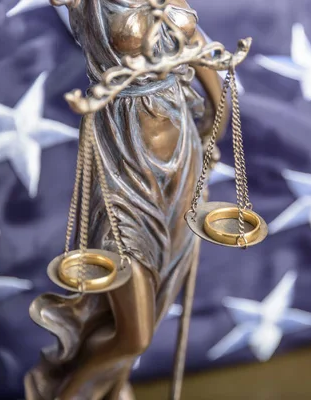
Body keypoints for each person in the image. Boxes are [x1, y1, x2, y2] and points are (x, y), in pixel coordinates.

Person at [24, 1, 225, 399]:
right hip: (124, 166)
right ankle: (65, 392)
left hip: (181, 152)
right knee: (135, 335)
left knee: (160, 291)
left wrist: (217, 116)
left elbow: (198, 45)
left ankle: (112, 389)